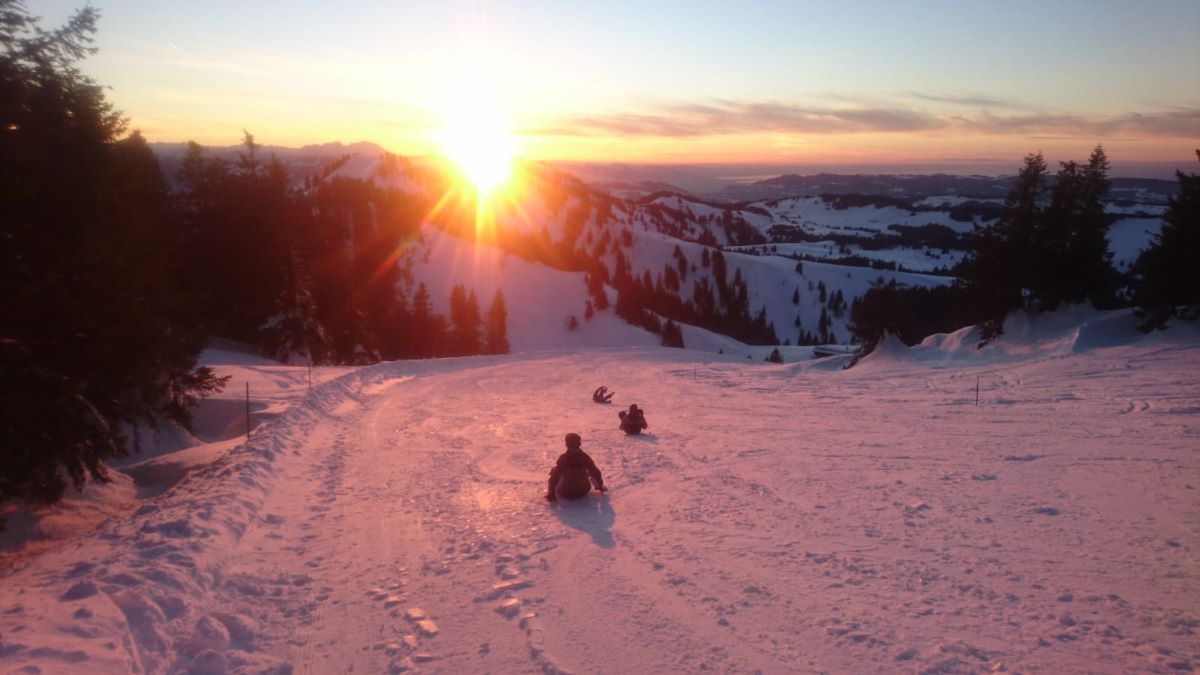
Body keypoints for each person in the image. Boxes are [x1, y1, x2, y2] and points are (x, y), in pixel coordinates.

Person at [546, 433, 606, 502]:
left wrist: (551, 492)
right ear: (579, 444)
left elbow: (555, 476)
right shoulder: (585, 457)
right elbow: (595, 472)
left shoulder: (563, 458)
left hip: (566, 492)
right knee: (591, 470)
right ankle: (599, 486)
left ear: (566, 444)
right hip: (584, 490)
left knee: (555, 470)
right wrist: (601, 485)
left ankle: (551, 491)